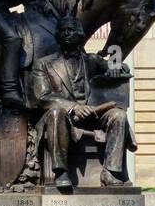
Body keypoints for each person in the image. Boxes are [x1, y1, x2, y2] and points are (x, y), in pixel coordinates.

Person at [30, 16, 134, 187]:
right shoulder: (43, 64)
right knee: (57, 112)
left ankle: (110, 172)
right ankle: (61, 173)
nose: (66, 34)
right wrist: (73, 107)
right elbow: (42, 97)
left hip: (93, 114)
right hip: (61, 116)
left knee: (118, 115)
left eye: (70, 30)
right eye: (62, 30)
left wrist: (119, 67)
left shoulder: (91, 60)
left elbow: (114, 65)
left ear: (80, 34)